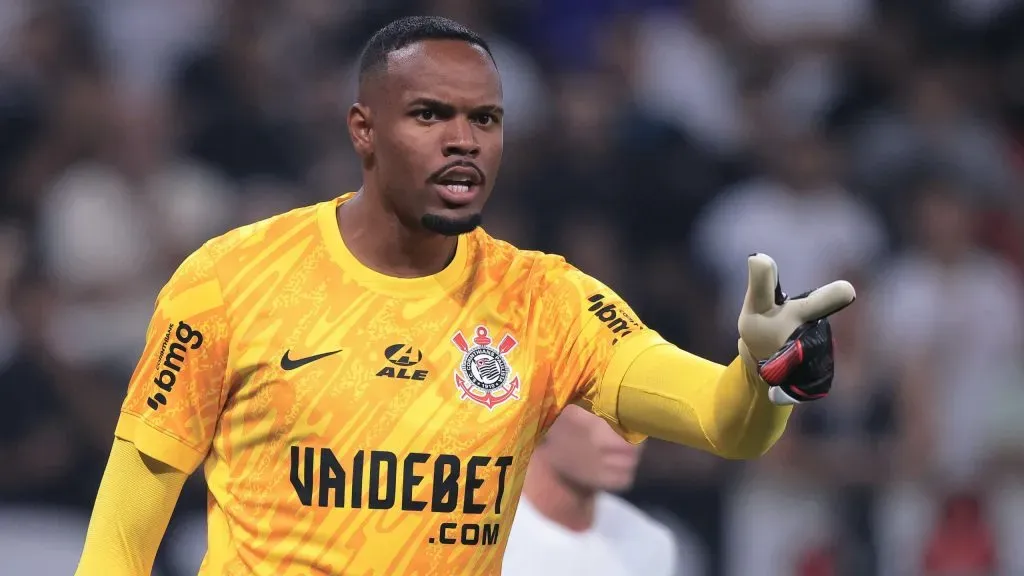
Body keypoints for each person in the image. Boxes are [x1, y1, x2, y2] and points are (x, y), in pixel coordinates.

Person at [74, 16, 855, 576]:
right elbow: (127, 522)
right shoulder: (231, 279)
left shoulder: (546, 301)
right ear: (363, 130)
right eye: (430, 115)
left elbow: (724, 424)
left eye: (485, 119)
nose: (463, 140)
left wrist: (768, 376)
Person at [502, 405, 678, 576]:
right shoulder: (489, 539)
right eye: (597, 401)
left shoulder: (648, 544)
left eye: (636, 401)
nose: (629, 427)